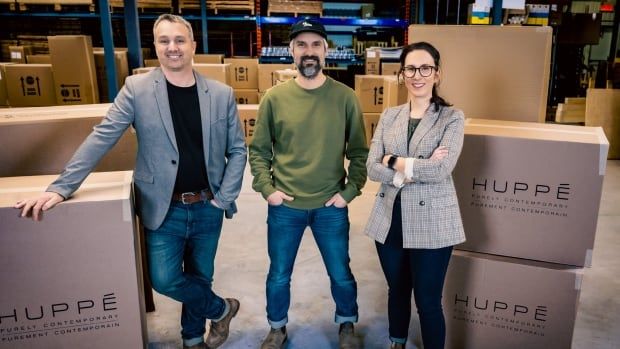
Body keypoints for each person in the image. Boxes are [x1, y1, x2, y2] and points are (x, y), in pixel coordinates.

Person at [14, 14, 247, 349]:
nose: (172, 47)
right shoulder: (137, 90)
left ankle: (193, 338)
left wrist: (223, 198)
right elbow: (102, 137)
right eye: (164, 40)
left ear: (193, 45)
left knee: (200, 276)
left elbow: (238, 150)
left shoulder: (221, 94)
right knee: (165, 280)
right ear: (156, 46)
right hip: (162, 207)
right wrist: (62, 187)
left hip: (208, 205)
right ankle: (222, 308)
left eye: (180, 40)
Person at [248, 19, 368, 349]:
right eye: (301, 45)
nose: (309, 51)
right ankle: (277, 327)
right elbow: (258, 150)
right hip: (286, 207)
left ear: (327, 50)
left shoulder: (345, 98)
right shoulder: (274, 98)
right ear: (291, 51)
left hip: (331, 206)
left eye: (316, 44)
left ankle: (346, 323)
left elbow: (359, 152)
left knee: (341, 272)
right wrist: (267, 189)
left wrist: (349, 192)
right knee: (279, 274)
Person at [364, 41, 466, 349]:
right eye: (410, 68)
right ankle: (397, 342)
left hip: (433, 222)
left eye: (425, 68)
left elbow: (441, 170)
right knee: (397, 289)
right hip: (390, 218)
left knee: (427, 299)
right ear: (401, 74)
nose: (417, 75)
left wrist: (392, 161)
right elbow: (371, 166)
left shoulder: (452, 117)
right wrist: (409, 170)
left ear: (436, 74)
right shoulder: (390, 116)